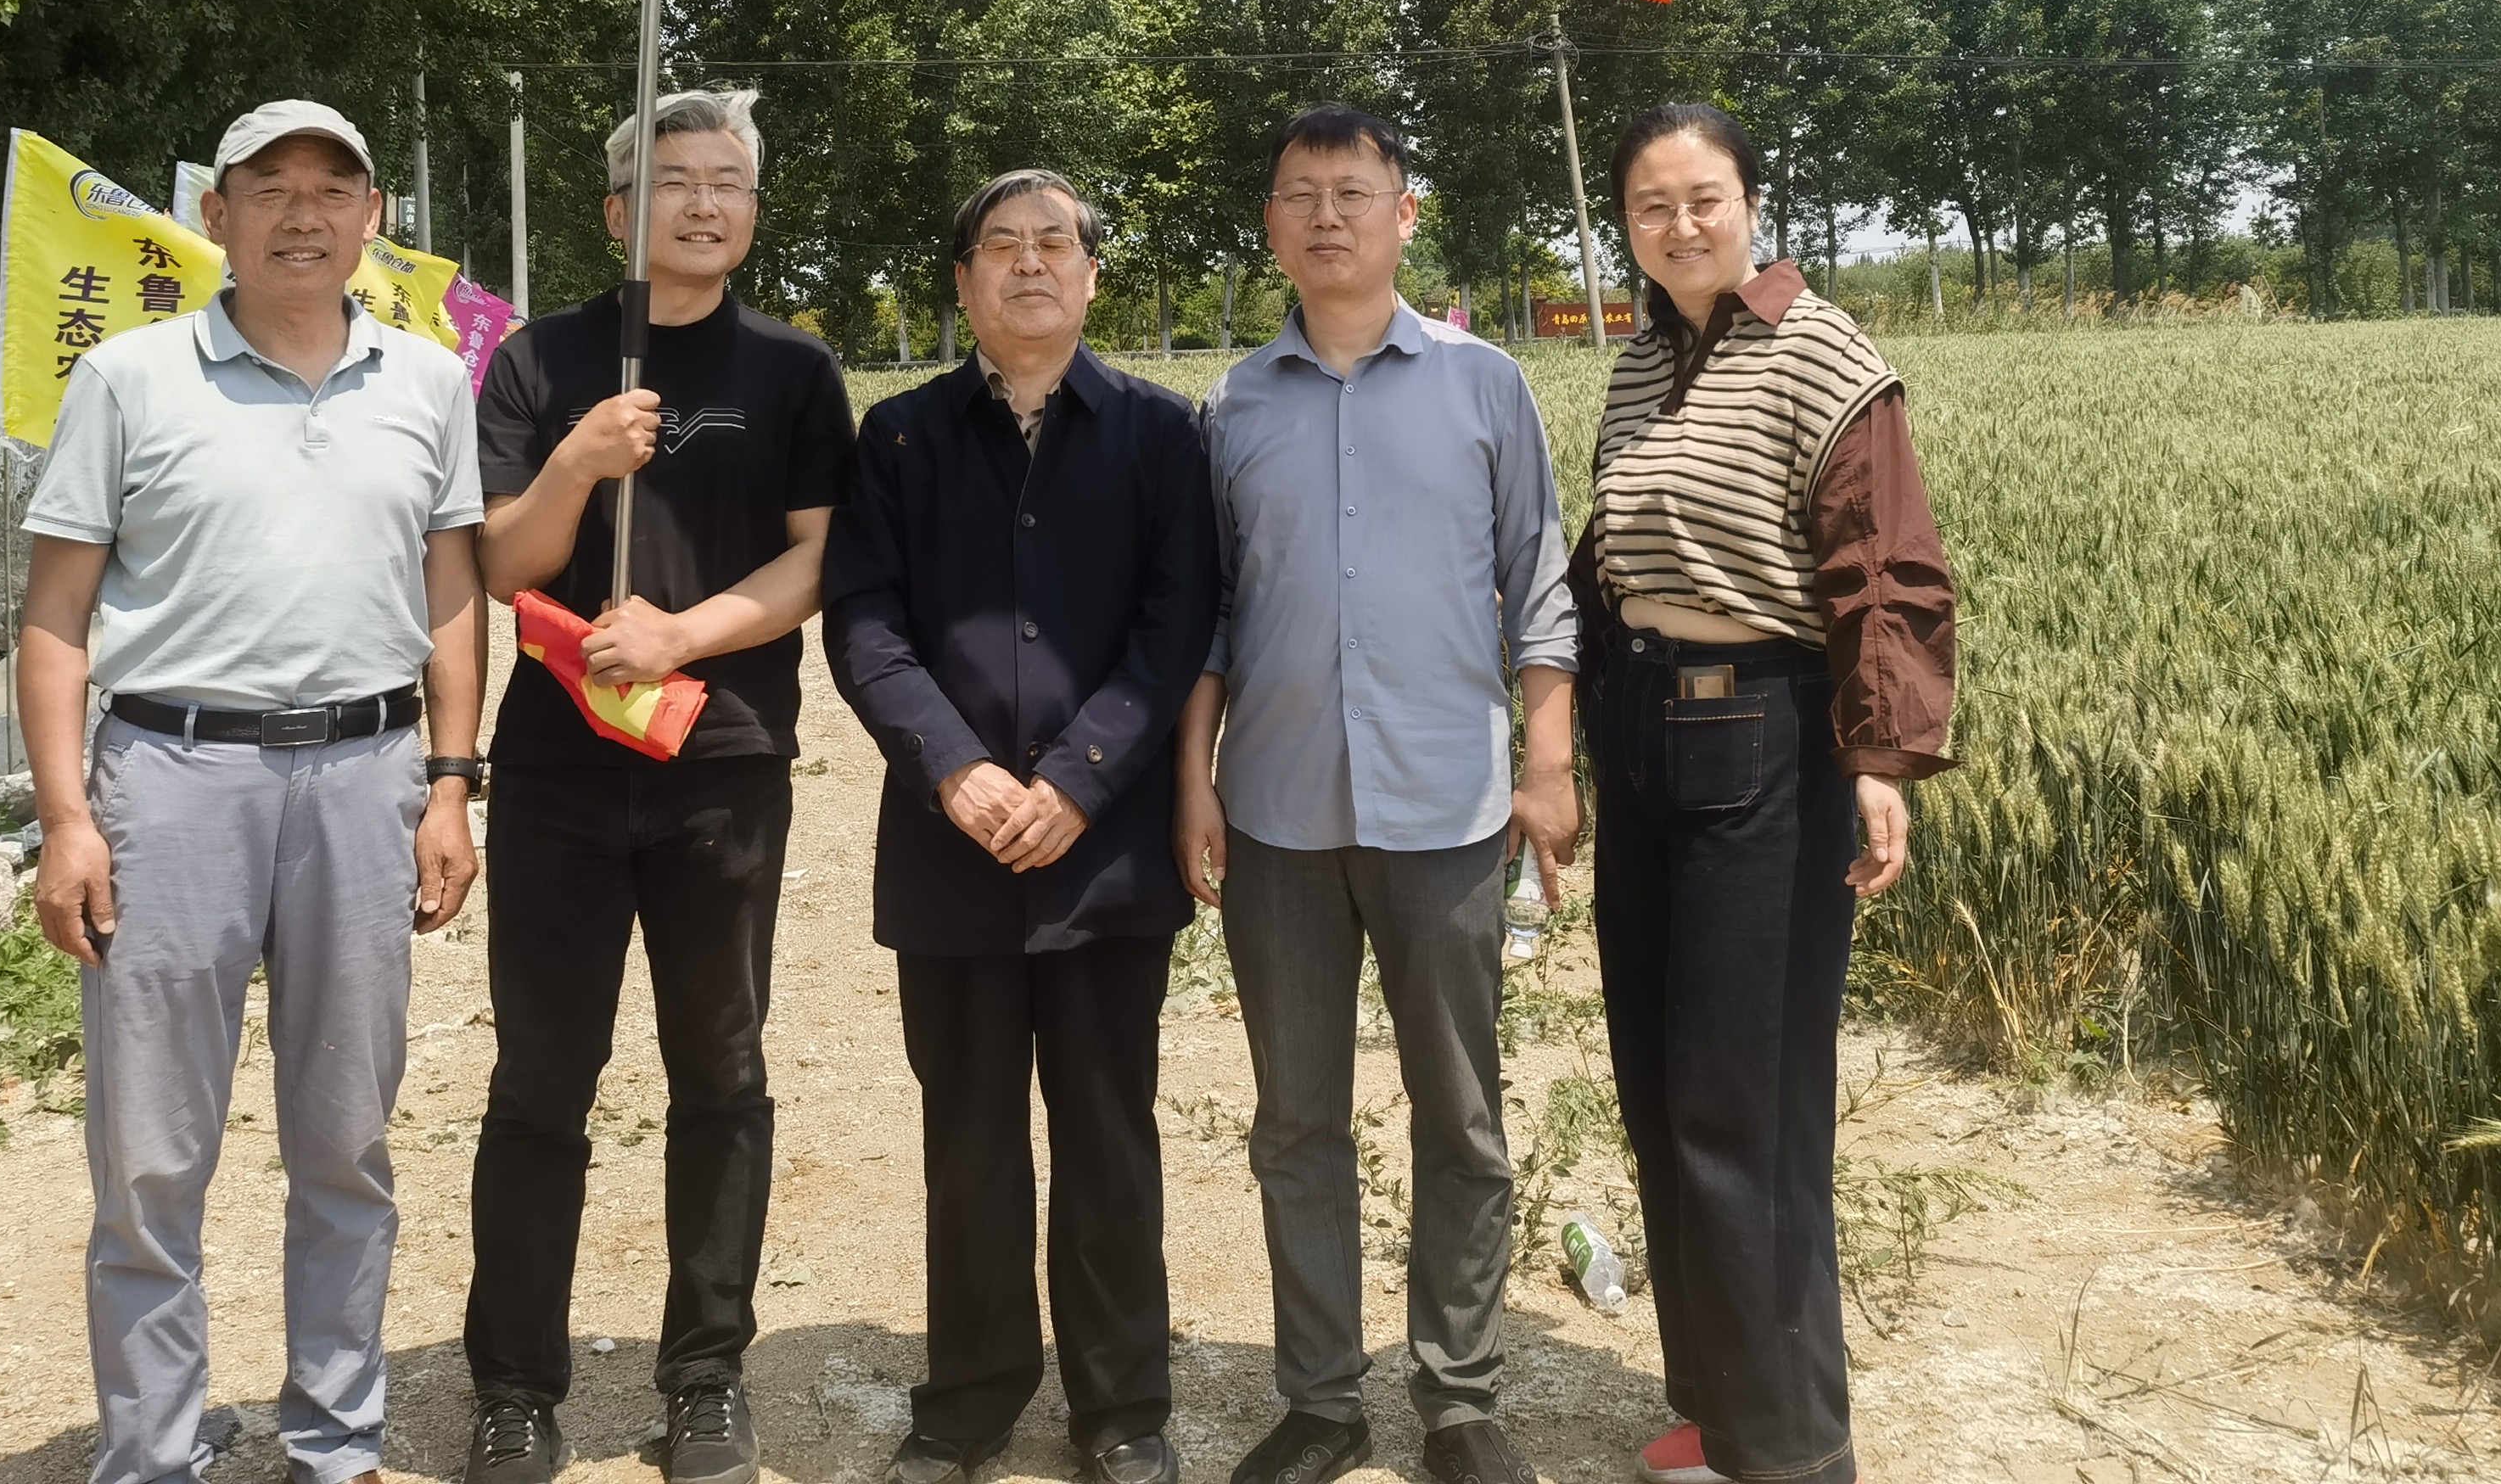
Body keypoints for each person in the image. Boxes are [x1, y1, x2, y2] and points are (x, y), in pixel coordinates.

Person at [20, 99, 487, 1484]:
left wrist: (451, 782)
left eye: (332, 188)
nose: (302, 213)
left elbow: (452, 593)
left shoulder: (428, 383)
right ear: (213, 214)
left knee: (345, 1138)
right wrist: (67, 818)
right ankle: (154, 1449)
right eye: (268, 186)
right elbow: (56, 613)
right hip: (171, 784)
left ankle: (335, 1438)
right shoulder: (131, 378)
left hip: (366, 777)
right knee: (151, 1154)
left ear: (373, 219)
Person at [1176, 106, 1576, 1484]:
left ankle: (1459, 1398)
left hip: (1449, 810)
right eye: (1300, 195)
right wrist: (1193, 779)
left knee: (1459, 1115)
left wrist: (1547, 765)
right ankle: (1322, 1401)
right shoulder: (1233, 406)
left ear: (1406, 214)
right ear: (1272, 224)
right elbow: (1210, 616)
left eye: (1354, 193)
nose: (1326, 216)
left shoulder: (1486, 386)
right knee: (1296, 1120)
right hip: (1277, 813)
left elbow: (1541, 585)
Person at [461, 92, 855, 1484]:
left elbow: (819, 558)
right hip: (559, 771)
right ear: (618, 211)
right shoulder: (539, 360)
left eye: (726, 182)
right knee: (541, 1079)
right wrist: (576, 462)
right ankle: (515, 1388)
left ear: (751, 208)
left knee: (723, 1071)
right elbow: (502, 565)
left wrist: (682, 635)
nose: (701, 203)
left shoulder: (794, 368)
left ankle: (707, 1374)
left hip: (722, 762)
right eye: (672, 181)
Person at [1580, 103, 1958, 1484]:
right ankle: (1720, 1406)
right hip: (1643, 731)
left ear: (1751, 203)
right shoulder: (1642, 363)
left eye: (1704, 198)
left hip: (1764, 739)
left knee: (1748, 1099)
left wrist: (1880, 759)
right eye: (1650, 205)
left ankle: (1793, 1450)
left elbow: (1885, 570)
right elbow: (1615, 551)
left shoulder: (1823, 355)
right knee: (1659, 1083)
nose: (1679, 225)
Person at [825, 169, 1219, 1484]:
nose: (1031, 263)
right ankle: (971, 1398)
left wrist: (1083, 779)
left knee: (1109, 1131)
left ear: (1092, 276)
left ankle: (1122, 1409)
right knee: (971, 1138)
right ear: (964, 281)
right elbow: (865, 626)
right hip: (951, 854)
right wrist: (954, 770)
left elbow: (1176, 625)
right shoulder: (898, 440)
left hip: (1104, 857)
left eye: (1056, 243)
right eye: (1001, 245)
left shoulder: (1162, 436)